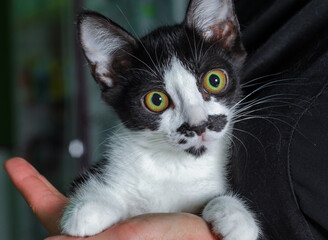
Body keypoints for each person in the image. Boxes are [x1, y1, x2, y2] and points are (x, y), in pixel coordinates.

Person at [5, 0, 328, 239]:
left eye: (213, 82)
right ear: (111, 78)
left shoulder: (235, 152)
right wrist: (99, 204)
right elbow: (107, 196)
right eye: (157, 100)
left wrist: (222, 210)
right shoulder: (129, 159)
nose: (199, 120)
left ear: (225, 35)